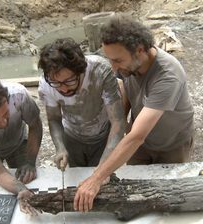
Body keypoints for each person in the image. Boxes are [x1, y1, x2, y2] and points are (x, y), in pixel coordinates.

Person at [74, 14, 194, 212]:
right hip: (141, 145)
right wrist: (117, 127)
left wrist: (96, 178)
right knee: (135, 192)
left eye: (118, 60)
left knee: (166, 201)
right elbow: (128, 95)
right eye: (110, 59)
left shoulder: (168, 75)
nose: (113, 67)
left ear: (140, 50)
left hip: (172, 144)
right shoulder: (128, 65)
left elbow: (136, 136)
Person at [37, 38, 125, 172]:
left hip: (103, 137)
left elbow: (118, 121)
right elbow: (54, 119)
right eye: (57, 83)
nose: (64, 89)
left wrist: (104, 166)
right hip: (71, 137)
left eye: (69, 81)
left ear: (81, 71)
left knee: (102, 178)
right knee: (77, 179)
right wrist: (60, 148)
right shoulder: (46, 84)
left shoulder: (100, 71)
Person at [0, 80, 43, 215]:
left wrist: (30, 161)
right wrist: (20, 189)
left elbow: (35, 124)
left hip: (18, 142)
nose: (3, 122)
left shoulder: (19, 95)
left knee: (30, 178)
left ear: (7, 99)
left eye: (6, 113)